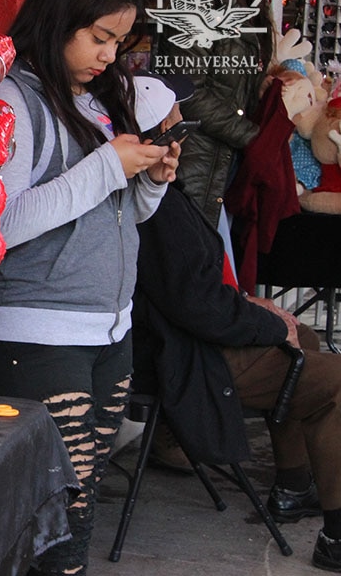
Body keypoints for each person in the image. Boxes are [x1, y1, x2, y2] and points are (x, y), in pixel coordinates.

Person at [0, 0, 181, 576]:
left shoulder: (95, 98)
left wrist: (150, 180)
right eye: (99, 37)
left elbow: (122, 218)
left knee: (76, 508)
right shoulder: (13, 103)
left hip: (105, 329)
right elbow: (0, 224)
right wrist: (105, 168)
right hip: (36, 336)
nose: (109, 56)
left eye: (119, 41)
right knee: (60, 510)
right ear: (61, 19)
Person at [133, 184, 341, 573]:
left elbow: (196, 294)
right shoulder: (155, 203)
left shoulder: (160, 195)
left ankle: (294, 488)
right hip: (181, 357)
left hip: (183, 341)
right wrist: (268, 325)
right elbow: (197, 306)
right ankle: (336, 540)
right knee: (333, 379)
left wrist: (250, 304)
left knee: (306, 337)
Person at [157, 0, 275, 228]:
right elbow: (189, 92)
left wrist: (265, 81)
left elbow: (230, 79)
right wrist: (255, 138)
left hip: (224, 164)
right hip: (196, 165)